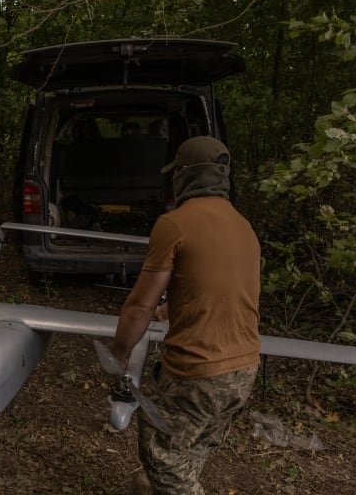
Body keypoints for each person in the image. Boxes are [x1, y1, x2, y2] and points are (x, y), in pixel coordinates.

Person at [109, 136, 261, 494]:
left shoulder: (174, 223)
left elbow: (139, 306)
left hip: (198, 372)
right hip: (244, 370)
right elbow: (220, 291)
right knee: (194, 446)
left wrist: (118, 353)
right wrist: (171, 309)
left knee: (162, 456)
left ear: (183, 174)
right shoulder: (243, 226)